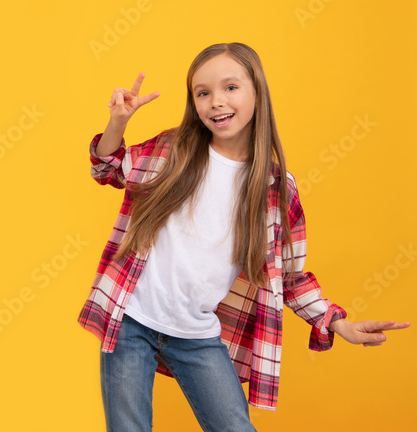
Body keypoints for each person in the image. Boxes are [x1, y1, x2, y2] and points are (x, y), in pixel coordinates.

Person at [76, 42, 409, 431]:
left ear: (257, 92)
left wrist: (338, 324)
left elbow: (288, 278)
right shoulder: (172, 150)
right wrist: (117, 124)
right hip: (130, 320)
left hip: (196, 335)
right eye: (203, 93)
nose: (216, 101)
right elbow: (108, 169)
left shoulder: (275, 188)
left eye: (230, 88)